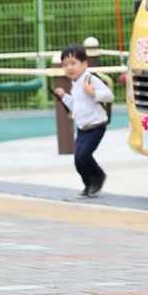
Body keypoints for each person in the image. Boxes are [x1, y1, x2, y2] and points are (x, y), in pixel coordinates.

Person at [53, 44, 114, 198]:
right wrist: (64, 97)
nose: (69, 68)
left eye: (73, 63)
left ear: (84, 64)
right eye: (65, 65)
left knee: (84, 155)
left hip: (96, 125)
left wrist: (92, 92)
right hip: (82, 127)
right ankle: (89, 185)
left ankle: (98, 176)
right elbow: (75, 106)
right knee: (78, 160)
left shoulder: (89, 79)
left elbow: (109, 96)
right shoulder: (75, 85)